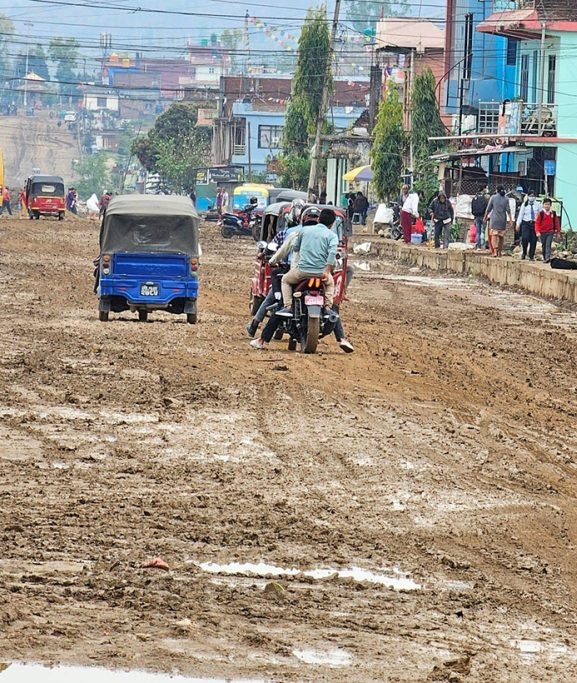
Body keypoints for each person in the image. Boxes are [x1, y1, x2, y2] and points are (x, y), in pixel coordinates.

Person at [276, 208, 338, 317]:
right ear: (332, 224)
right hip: (321, 273)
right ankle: (328, 307)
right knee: (330, 284)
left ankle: (288, 306)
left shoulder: (304, 231)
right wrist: (327, 271)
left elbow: (295, 247)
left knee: (285, 280)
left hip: (301, 272)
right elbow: (332, 253)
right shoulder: (332, 236)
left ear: (319, 219)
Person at [484, 185, 512, 257]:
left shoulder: (493, 197)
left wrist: (485, 216)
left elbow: (488, 208)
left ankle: (495, 251)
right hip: (503, 220)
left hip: (494, 219)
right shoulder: (506, 199)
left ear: (497, 190)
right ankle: (499, 252)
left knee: (494, 235)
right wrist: (511, 220)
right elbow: (508, 210)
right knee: (501, 236)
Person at [515, 190, 541, 260]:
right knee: (525, 238)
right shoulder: (524, 204)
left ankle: (531, 255)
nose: (531, 197)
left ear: (535, 197)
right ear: (528, 196)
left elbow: (540, 215)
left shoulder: (538, 205)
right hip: (525, 223)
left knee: (533, 240)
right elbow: (521, 214)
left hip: (535, 224)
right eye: (530, 196)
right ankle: (524, 251)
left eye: (533, 196)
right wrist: (518, 224)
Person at [535, 197, 560, 264]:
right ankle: (545, 257)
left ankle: (547, 258)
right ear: (543, 205)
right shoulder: (541, 213)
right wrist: (537, 231)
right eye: (545, 204)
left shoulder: (553, 213)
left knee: (548, 245)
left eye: (548, 204)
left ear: (550, 205)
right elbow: (537, 223)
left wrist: (558, 232)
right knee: (544, 245)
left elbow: (557, 223)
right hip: (542, 232)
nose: (547, 206)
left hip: (550, 232)